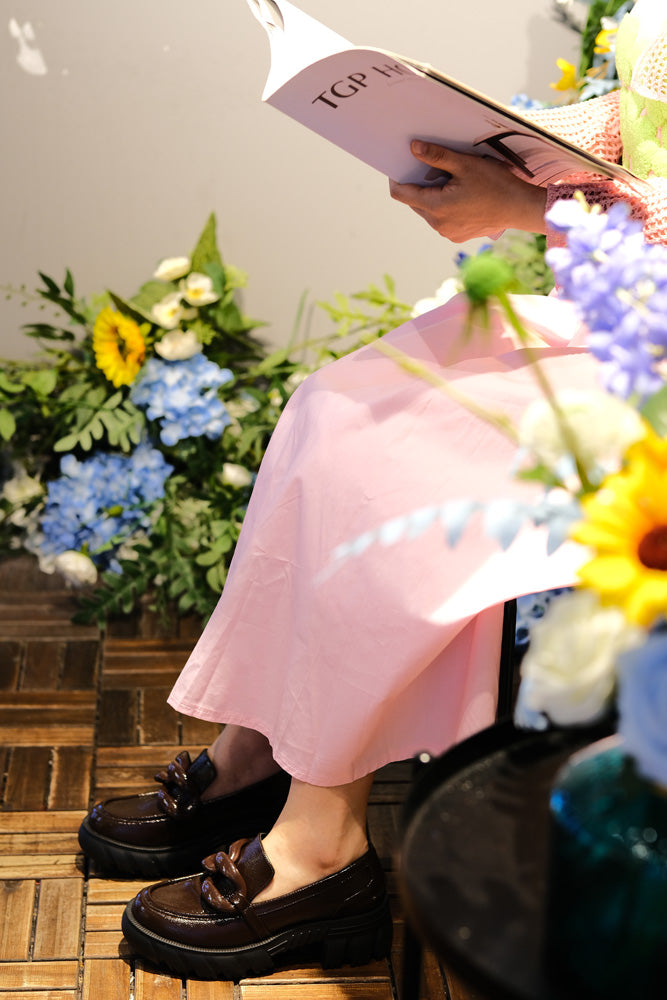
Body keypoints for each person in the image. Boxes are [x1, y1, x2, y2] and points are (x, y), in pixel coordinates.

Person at [79, 0, 667, 981]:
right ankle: (267, 743)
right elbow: (639, 119)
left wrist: (534, 206)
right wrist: (496, 140)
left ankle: (323, 849)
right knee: (337, 405)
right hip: (628, 323)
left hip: (643, 351)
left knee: (405, 462)